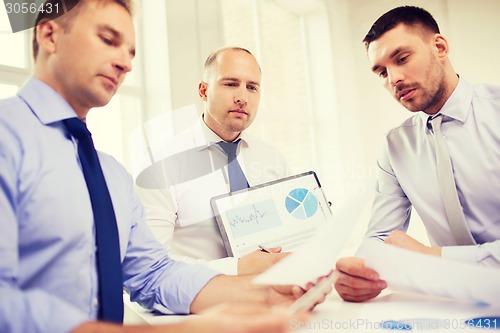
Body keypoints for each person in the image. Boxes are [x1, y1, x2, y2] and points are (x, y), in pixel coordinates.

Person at [0, 1, 328, 332]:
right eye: (108, 39)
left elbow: (154, 274)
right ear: (49, 36)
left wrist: (268, 294)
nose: (126, 64)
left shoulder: (112, 175)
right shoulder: (6, 138)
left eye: (131, 52)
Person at [334, 5, 500, 302]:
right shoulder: (395, 146)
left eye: (402, 59)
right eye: (382, 71)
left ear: (439, 47)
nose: (393, 79)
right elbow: (381, 238)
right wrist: (358, 273)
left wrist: (432, 257)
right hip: (457, 308)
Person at [135, 47, 290, 275]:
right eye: (230, 84)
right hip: (199, 305)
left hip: (277, 296)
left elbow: (290, 233)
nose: (242, 98)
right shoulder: (161, 164)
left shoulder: (272, 159)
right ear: (203, 91)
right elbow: (149, 264)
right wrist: (235, 268)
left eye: (252, 87)